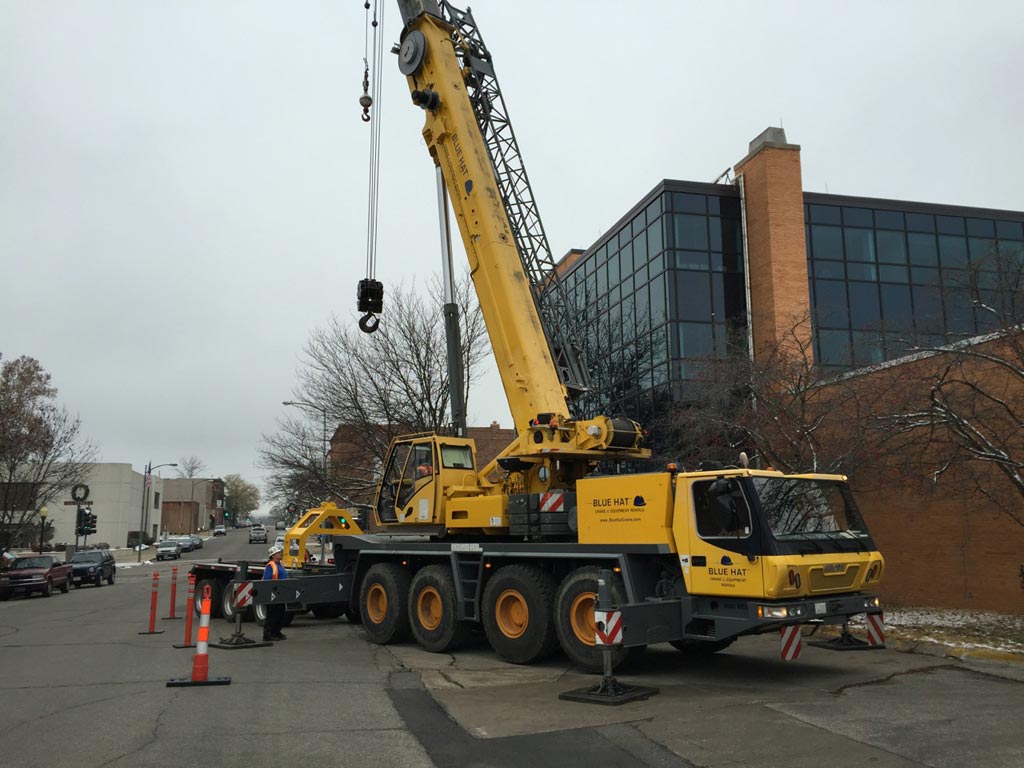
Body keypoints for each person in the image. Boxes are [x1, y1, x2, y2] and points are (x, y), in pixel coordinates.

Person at [262, 545, 288, 641]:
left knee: (281, 613)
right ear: (273, 556)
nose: (280, 554)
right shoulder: (271, 565)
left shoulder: (280, 564)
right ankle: (268, 634)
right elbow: (267, 580)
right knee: (272, 614)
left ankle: (277, 632)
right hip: (273, 594)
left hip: (280, 593)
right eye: (278, 553)